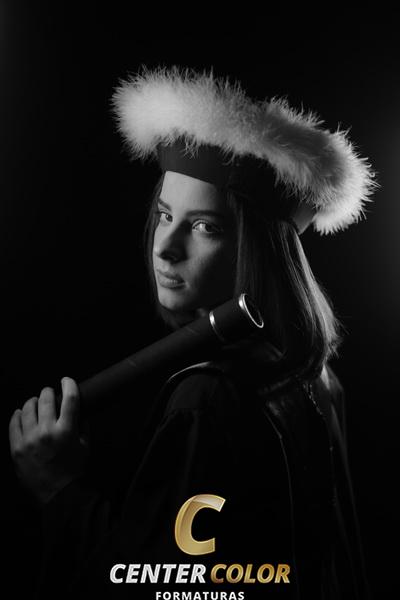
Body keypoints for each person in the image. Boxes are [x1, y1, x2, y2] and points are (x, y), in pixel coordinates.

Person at [8, 67, 377, 599]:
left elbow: (171, 587)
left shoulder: (208, 397)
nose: (165, 247)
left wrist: (58, 488)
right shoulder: (314, 376)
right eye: (165, 215)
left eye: (205, 226)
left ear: (258, 251)